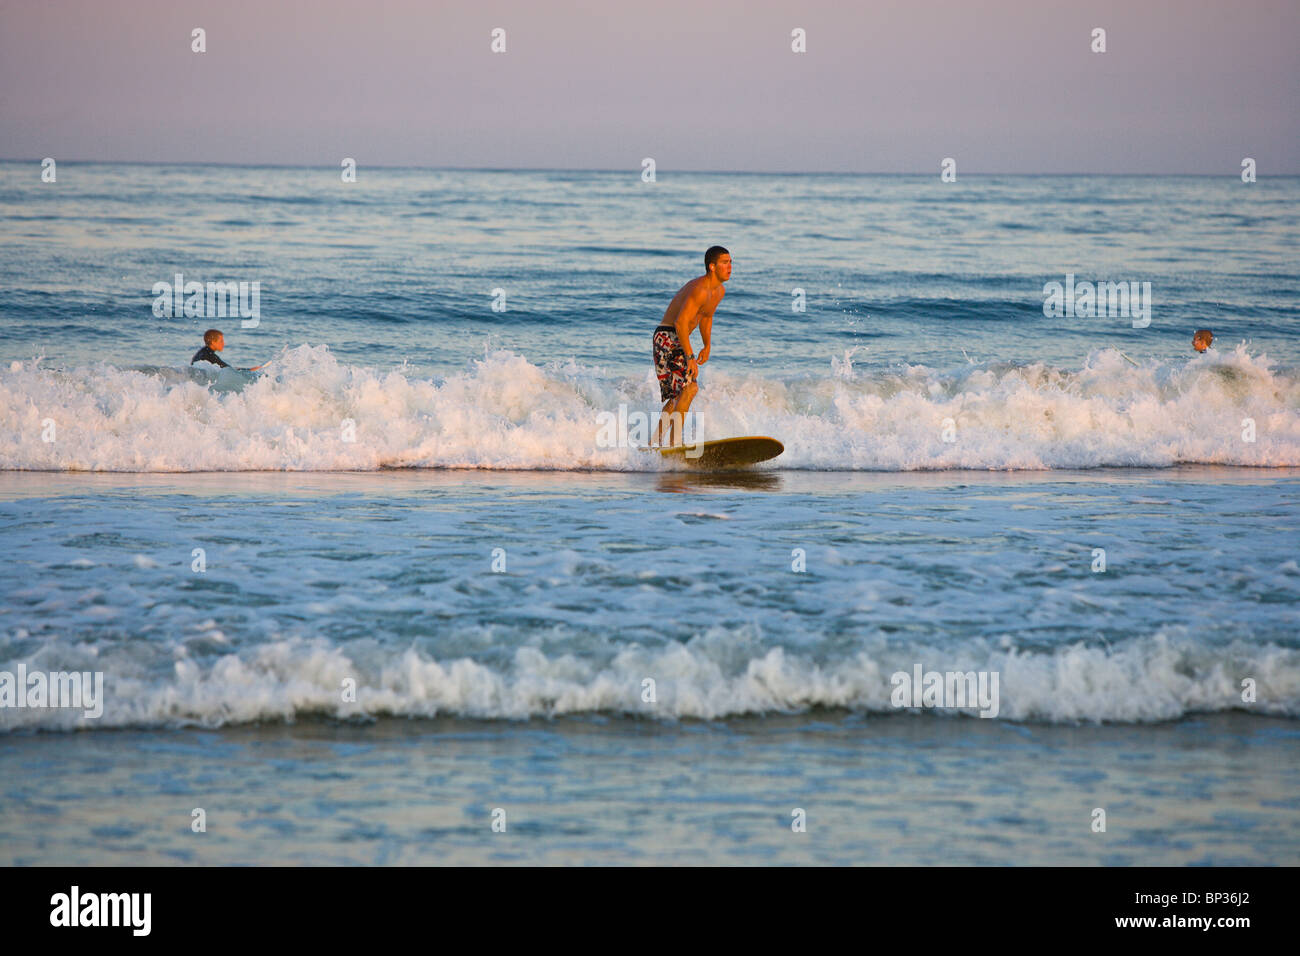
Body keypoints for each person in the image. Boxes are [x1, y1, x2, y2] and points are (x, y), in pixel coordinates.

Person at [653, 246, 730, 446]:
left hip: (678, 338)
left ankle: (655, 444)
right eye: (724, 262)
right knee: (689, 389)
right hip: (667, 338)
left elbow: (707, 317)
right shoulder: (700, 289)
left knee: (678, 396)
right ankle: (674, 445)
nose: (729, 267)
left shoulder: (719, 291)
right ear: (712, 267)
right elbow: (680, 322)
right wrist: (690, 357)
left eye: (731, 262)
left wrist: (707, 345)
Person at [191, 329, 264, 371]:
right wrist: (249, 370)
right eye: (221, 341)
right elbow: (228, 370)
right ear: (213, 342)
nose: (224, 344)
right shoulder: (210, 356)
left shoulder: (201, 353)